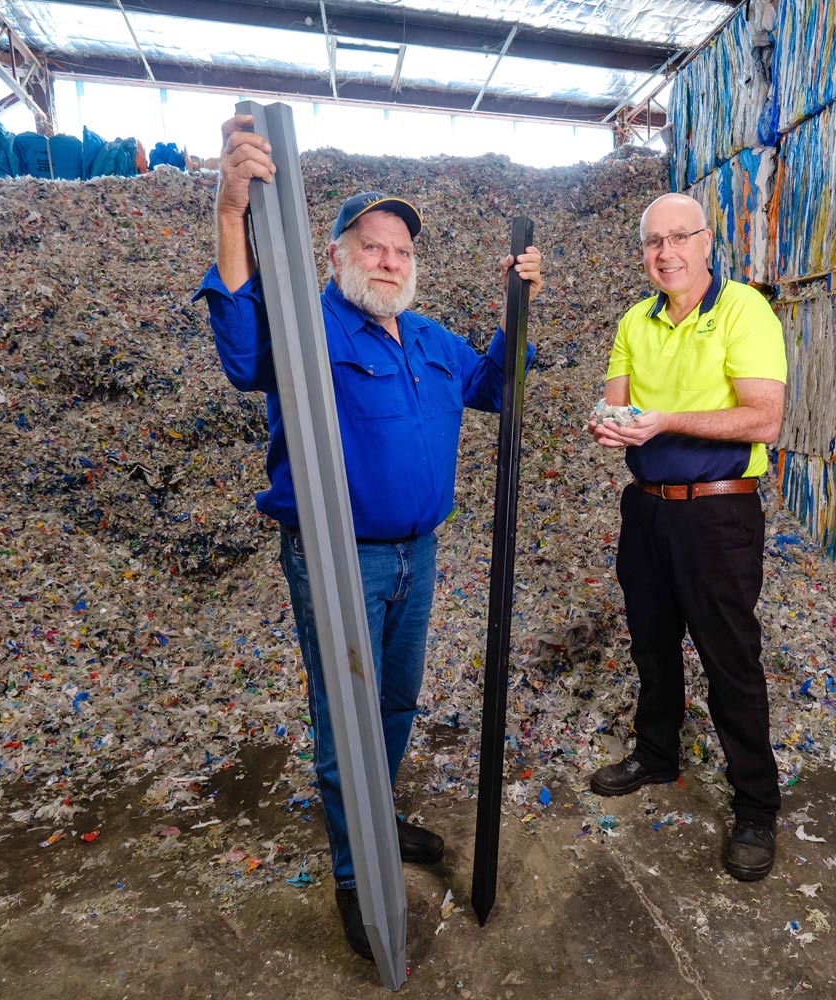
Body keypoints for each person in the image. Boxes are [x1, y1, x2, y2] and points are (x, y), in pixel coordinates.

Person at [194, 114, 542, 959]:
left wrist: (518, 302)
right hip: (336, 557)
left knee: (392, 701)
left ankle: (377, 819)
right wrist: (230, 211)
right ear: (338, 256)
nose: (389, 260)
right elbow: (242, 356)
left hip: (417, 554)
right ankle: (358, 872)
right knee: (342, 711)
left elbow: (497, 383)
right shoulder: (308, 329)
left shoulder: (426, 337)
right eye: (373, 246)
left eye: (400, 251)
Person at [588, 192, 786, 881]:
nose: (666, 253)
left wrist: (663, 419)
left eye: (679, 238)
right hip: (646, 508)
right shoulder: (633, 320)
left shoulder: (743, 311)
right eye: (653, 242)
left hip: (718, 513)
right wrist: (610, 425)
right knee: (651, 643)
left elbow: (762, 419)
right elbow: (614, 405)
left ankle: (757, 806)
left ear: (707, 241)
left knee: (730, 657)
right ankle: (657, 753)